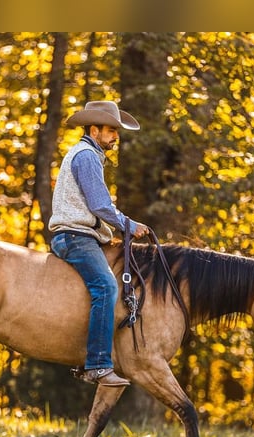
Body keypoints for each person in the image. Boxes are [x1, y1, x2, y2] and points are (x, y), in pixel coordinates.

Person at [48, 100, 150, 387]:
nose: (116, 136)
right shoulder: (87, 157)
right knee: (106, 286)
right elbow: (100, 206)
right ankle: (97, 364)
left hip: (80, 235)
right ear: (94, 130)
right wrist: (130, 226)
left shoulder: (85, 154)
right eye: (111, 131)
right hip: (76, 237)